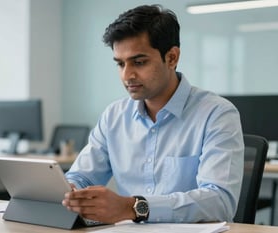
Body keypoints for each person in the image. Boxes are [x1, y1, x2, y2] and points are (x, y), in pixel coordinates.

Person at [62, 4, 244, 224]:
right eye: (120, 64)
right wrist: (70, 191)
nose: (127, 75)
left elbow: (219, 201)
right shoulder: (114, 116)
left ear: (172, 58)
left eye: (139, 62)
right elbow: (81, 176)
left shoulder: (217, 114)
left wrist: (133, 207)